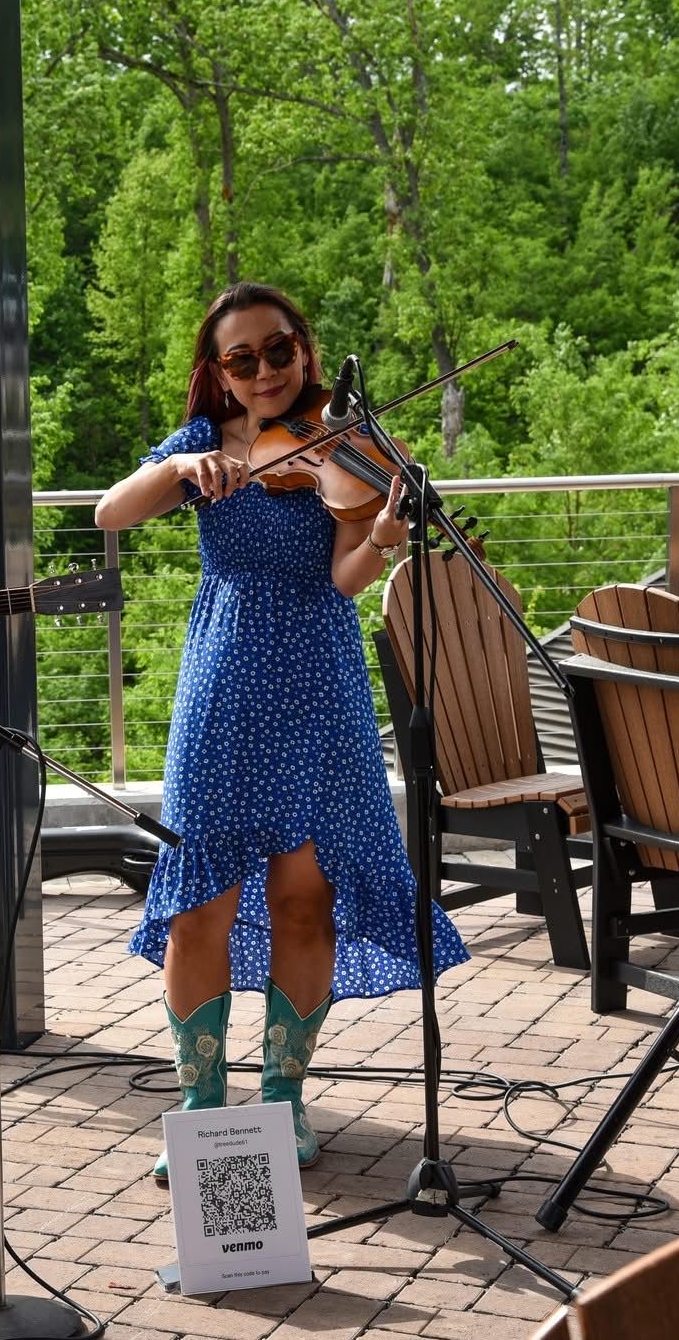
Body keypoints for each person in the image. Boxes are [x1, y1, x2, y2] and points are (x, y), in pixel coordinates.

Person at [93, 282, 470, 1181]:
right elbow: (111, 510)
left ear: (305, 349)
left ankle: (283, 1099)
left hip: (317, 681)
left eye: (278, 350)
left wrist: (382, 533)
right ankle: (200, 1102)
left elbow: (344, 578)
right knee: (198, 906)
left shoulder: (345, 446)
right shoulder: (202, 447)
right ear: (217, 373)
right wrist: (183, 471)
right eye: (241, 359)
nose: (264, 371)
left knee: (306, 897)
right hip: (223, 682)